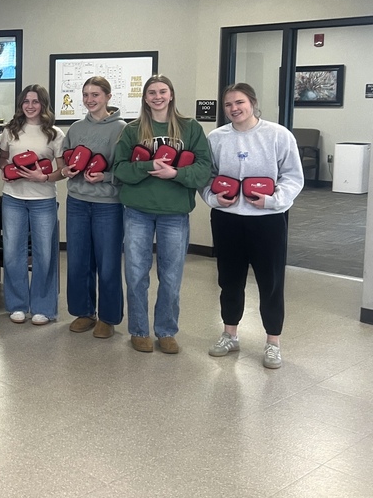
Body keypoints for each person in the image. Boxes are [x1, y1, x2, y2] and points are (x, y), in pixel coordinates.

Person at [201, 83, 304, 369]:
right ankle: (230, 334)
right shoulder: (217, 137)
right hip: (228, 220)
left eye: (239, 102)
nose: (234, 109)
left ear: (253, 103)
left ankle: (273, 342)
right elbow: (206, 176)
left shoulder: (278, 135)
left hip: (268, 221)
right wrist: (212, 197)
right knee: (229, 279)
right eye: (228, 105)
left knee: (270, 282)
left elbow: (293, 177)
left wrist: (272, 201)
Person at [113, 75, 211, 354]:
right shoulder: (132, 130)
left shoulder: (190, 128)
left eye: (162, 91)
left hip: (174, 212)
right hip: (137, 212)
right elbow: (119, 169)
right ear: (145, 98)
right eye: (152, 92)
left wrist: (175, 173)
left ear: (171, 95)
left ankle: (166, 331)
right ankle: (140, 330)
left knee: (171, 276)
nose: (157, 96)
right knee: (135, 274)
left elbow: (204, 169)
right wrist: (146, 166)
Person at [60, 76, 126, 338]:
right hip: (77, 201)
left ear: (108, 97)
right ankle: (84, 312)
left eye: (95, 94)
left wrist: (106, 177)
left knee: (108, 263)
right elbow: (65, 160)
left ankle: (108, 317)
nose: (90, 99)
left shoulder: (122, 129)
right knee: (77, 261)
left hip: (108, 205)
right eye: (86, 94)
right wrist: (65, 169)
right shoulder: (75, 128)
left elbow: (125, 168)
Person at [0, 84, 65, 324]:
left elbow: (63, 170)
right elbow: (3, 159)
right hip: (13, 198)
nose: (30, 106)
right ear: (21, 104)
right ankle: (17, 305)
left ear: (43, 104)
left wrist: (44, 177)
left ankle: (43, 307)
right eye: (26, 101)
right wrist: (5, 169)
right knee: (13, 253)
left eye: (35, 101)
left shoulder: (55, 134)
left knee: (44, 254)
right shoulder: (10, 131)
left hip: (43, 200)